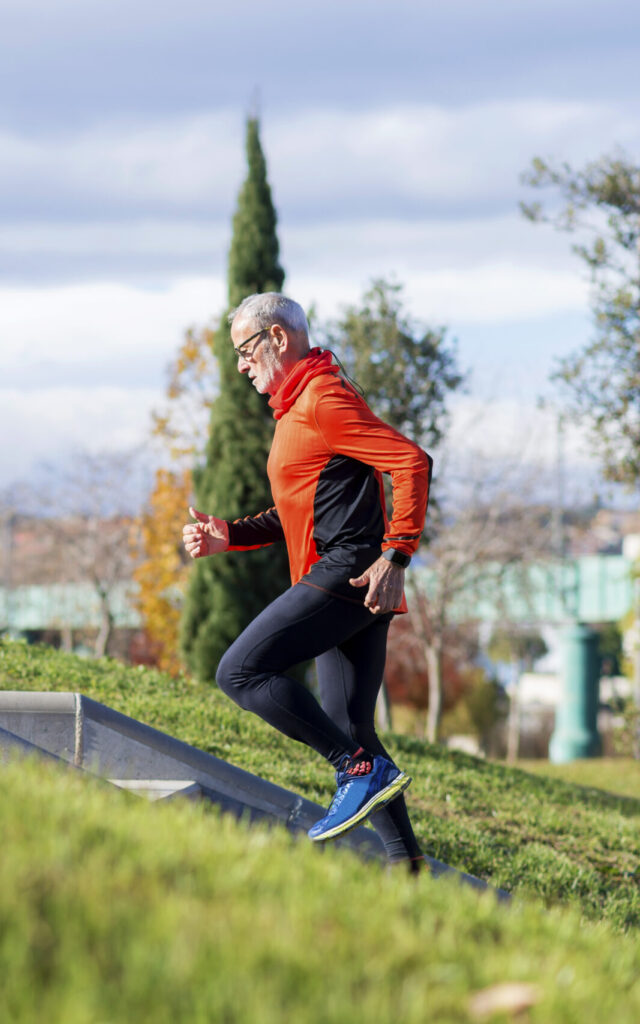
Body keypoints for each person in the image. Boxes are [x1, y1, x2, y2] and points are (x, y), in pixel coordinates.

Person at [182, 292, 431, 869]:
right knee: (350, 726)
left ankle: (356, 771)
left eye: (245, 350)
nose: (240, 365)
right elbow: (300, 508)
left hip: (348, 574)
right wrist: (231, 535)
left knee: (240, 671)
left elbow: (411, 461)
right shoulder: (297, 408)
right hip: (348, 578)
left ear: (278, 339)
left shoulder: (322, 398)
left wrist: (397, 554)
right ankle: (409, 871)